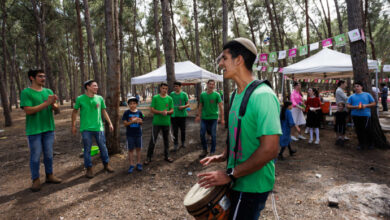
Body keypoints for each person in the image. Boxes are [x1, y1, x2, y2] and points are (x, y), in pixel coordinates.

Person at [197, 38, 281, 219]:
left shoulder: (263, 96)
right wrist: (224, 155)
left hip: (252, 185)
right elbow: (238, 131)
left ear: (239, 60)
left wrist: (230, 174)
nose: (220, 64)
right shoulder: (236, 94)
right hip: (237, 181)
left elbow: (270, 149)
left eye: (224, 58)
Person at [20, 69, 62, 192]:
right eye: (40, 76)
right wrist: (46, 103)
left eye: (44, 76)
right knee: (35, 156)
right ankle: (36, 179)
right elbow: (28, 110)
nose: (43, 78)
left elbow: (55, 108)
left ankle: (49, 175)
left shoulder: (48, 91)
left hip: (49, 128)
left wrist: (53, 104)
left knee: (49, 154)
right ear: (32, 78)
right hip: (34, 130)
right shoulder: (26, 92)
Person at [72, 80, 114, 178]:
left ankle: (106, 164)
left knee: (103, 147)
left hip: (99, 128)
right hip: (86, 128)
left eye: (97, 86)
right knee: (87, 149)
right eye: (94, 86)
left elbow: (104, 111)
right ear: (88, 87)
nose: (96, 87)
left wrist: (110, 123)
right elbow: (74, 112)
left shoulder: (99, 98)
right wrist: (73, 125)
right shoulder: (80, 99)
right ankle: (89, 169)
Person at [144, 83, 174, 165]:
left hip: (166, 123)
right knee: (153, 140)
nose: (164, 90)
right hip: (156, 123)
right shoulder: (155, 98)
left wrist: (167, 112)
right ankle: (148, 157)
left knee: (166, 140)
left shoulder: (170, 98)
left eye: (166, 88)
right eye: (163, 88)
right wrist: (160, 112)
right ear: (160, 89)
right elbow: (152, 109)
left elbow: (172, 110)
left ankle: (167, 156)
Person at [195, 80, 225, 157]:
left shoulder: (217, 95)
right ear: (207, 85)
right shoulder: (203, 95)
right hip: (204, 118)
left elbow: (221, 106)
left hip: (213, 118)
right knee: (202, 134)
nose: (211, 85)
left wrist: (222, 118)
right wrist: (198, 115)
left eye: (213, 84)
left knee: (213, 135)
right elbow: (200, 105)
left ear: (214, 85)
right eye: (210, 84)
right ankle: (204, 150)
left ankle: (212, 151)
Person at [347, 81, 376, 150]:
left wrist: (365, 105)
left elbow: (373, 103)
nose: (356, 88)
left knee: (368, 129)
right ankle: (361, 144)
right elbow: (348, 105)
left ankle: (370, 143)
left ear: (361, 87)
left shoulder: (367, 94)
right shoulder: (352, 96)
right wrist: (355, 107)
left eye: (358, 86)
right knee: (358, 130)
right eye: (355, 86)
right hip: (355, 115)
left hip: (365, 115)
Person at [122, 96, 144, 173]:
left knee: (138, 149)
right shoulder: (126, 113)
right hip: (130, 134)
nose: (132, 105)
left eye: (134, 103)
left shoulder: (139, 112)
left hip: (138, 134)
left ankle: (138, 163)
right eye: (130, 103)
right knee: (131, 149)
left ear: (137, 104)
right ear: (128, 105)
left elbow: (142, 122)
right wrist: (132, 121)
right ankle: (131, 164)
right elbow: (125, 124)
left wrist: (140, 122)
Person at [170, 81, 190, 151]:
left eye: (177, 86)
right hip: (174, 115)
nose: (175, 87)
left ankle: (183, 142)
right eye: (174, 86)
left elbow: (188, 104)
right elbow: (169, 103)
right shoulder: (172, 94)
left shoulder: (184, 94)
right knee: (175, 131)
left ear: (180, 87)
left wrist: (183, 106)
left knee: (183, 130)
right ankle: (175, 144)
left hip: (182, 115)